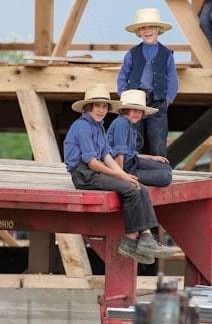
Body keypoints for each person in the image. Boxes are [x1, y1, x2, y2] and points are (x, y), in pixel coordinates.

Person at [63, 84, 176, 265]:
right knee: (130, 189)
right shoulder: (82, 127)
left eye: (104, 106)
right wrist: (121, 176)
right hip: (83, 174)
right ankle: (131, 241)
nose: (101, 110)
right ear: (87, 107)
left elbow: (107, 156)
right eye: (97, 106)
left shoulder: (98, 126)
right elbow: (92, 162)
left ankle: (145, 237)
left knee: (138, 186)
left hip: (92, 170)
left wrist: (123, 174)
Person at [117, 8, 178, 158]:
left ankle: (160, 169)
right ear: (138, 32)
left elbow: (172, 78)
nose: (147, 31)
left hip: (158, 100)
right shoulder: (132, 53)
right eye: (143, 28)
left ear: (158, 30)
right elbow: (122, 76)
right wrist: (125, 96)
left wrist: (168, 99)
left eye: (151, 27)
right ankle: (133, 167)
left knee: (158, 138)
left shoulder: (166, 54)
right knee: (134, 136)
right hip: (136, 99)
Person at [107, 89, 172, 187]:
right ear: (125, 110)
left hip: (131, 161)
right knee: (166, 177)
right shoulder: (121, 123)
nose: (137, 113)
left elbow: (130, 153)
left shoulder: (129, 124)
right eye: (134, 110)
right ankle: (132, 176)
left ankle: (137, 173)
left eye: (140, 111)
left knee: (166, 167)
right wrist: (121, 176)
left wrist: (152, 157)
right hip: (122, 167)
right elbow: (119, 153)